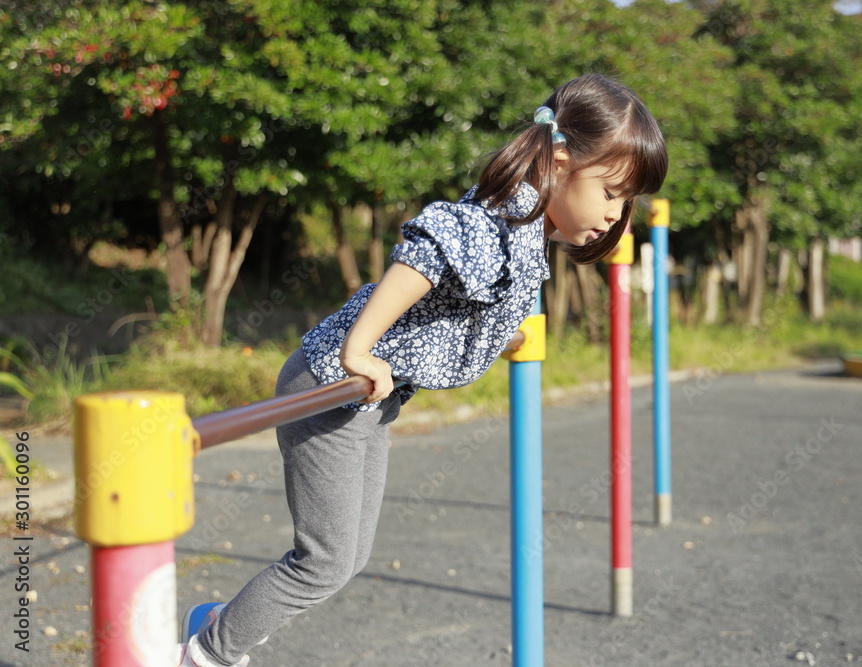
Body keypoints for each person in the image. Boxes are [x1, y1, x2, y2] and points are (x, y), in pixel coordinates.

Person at [177, 72, 668, 667]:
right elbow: (423, 255)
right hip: (331, 384)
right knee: (325, 561)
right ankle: (204, 653)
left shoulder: (525, 228)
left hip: (371, 398)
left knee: (348, 557)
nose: (617, 216)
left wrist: (500, 334)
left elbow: (468, 300)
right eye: (613, 193)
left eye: (628, 203)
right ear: (561, 160)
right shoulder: (498, 218)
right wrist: (360, 345)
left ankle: (212, 627)